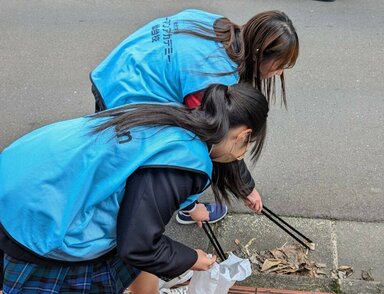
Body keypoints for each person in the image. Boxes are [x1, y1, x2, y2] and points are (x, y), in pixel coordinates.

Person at [0, 83, 269, 293]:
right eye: (247, 146)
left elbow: (143, 193)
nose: (241, 155)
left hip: (20, 177)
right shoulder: (187, 160)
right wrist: (190, 258)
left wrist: (190, 207)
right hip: (39, 218)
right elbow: (138, 246)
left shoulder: (175, 117)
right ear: (244, 135)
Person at [90, 8, 299, 227]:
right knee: (173, 150)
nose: (281, 72)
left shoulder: (218, 25)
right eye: (280, 65)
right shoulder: (213, 78)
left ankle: (181, 206)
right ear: (259, 53)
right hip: (124, 96)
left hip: (114, 70)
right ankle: (164, 215)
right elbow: (219, 141)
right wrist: (245, 187)